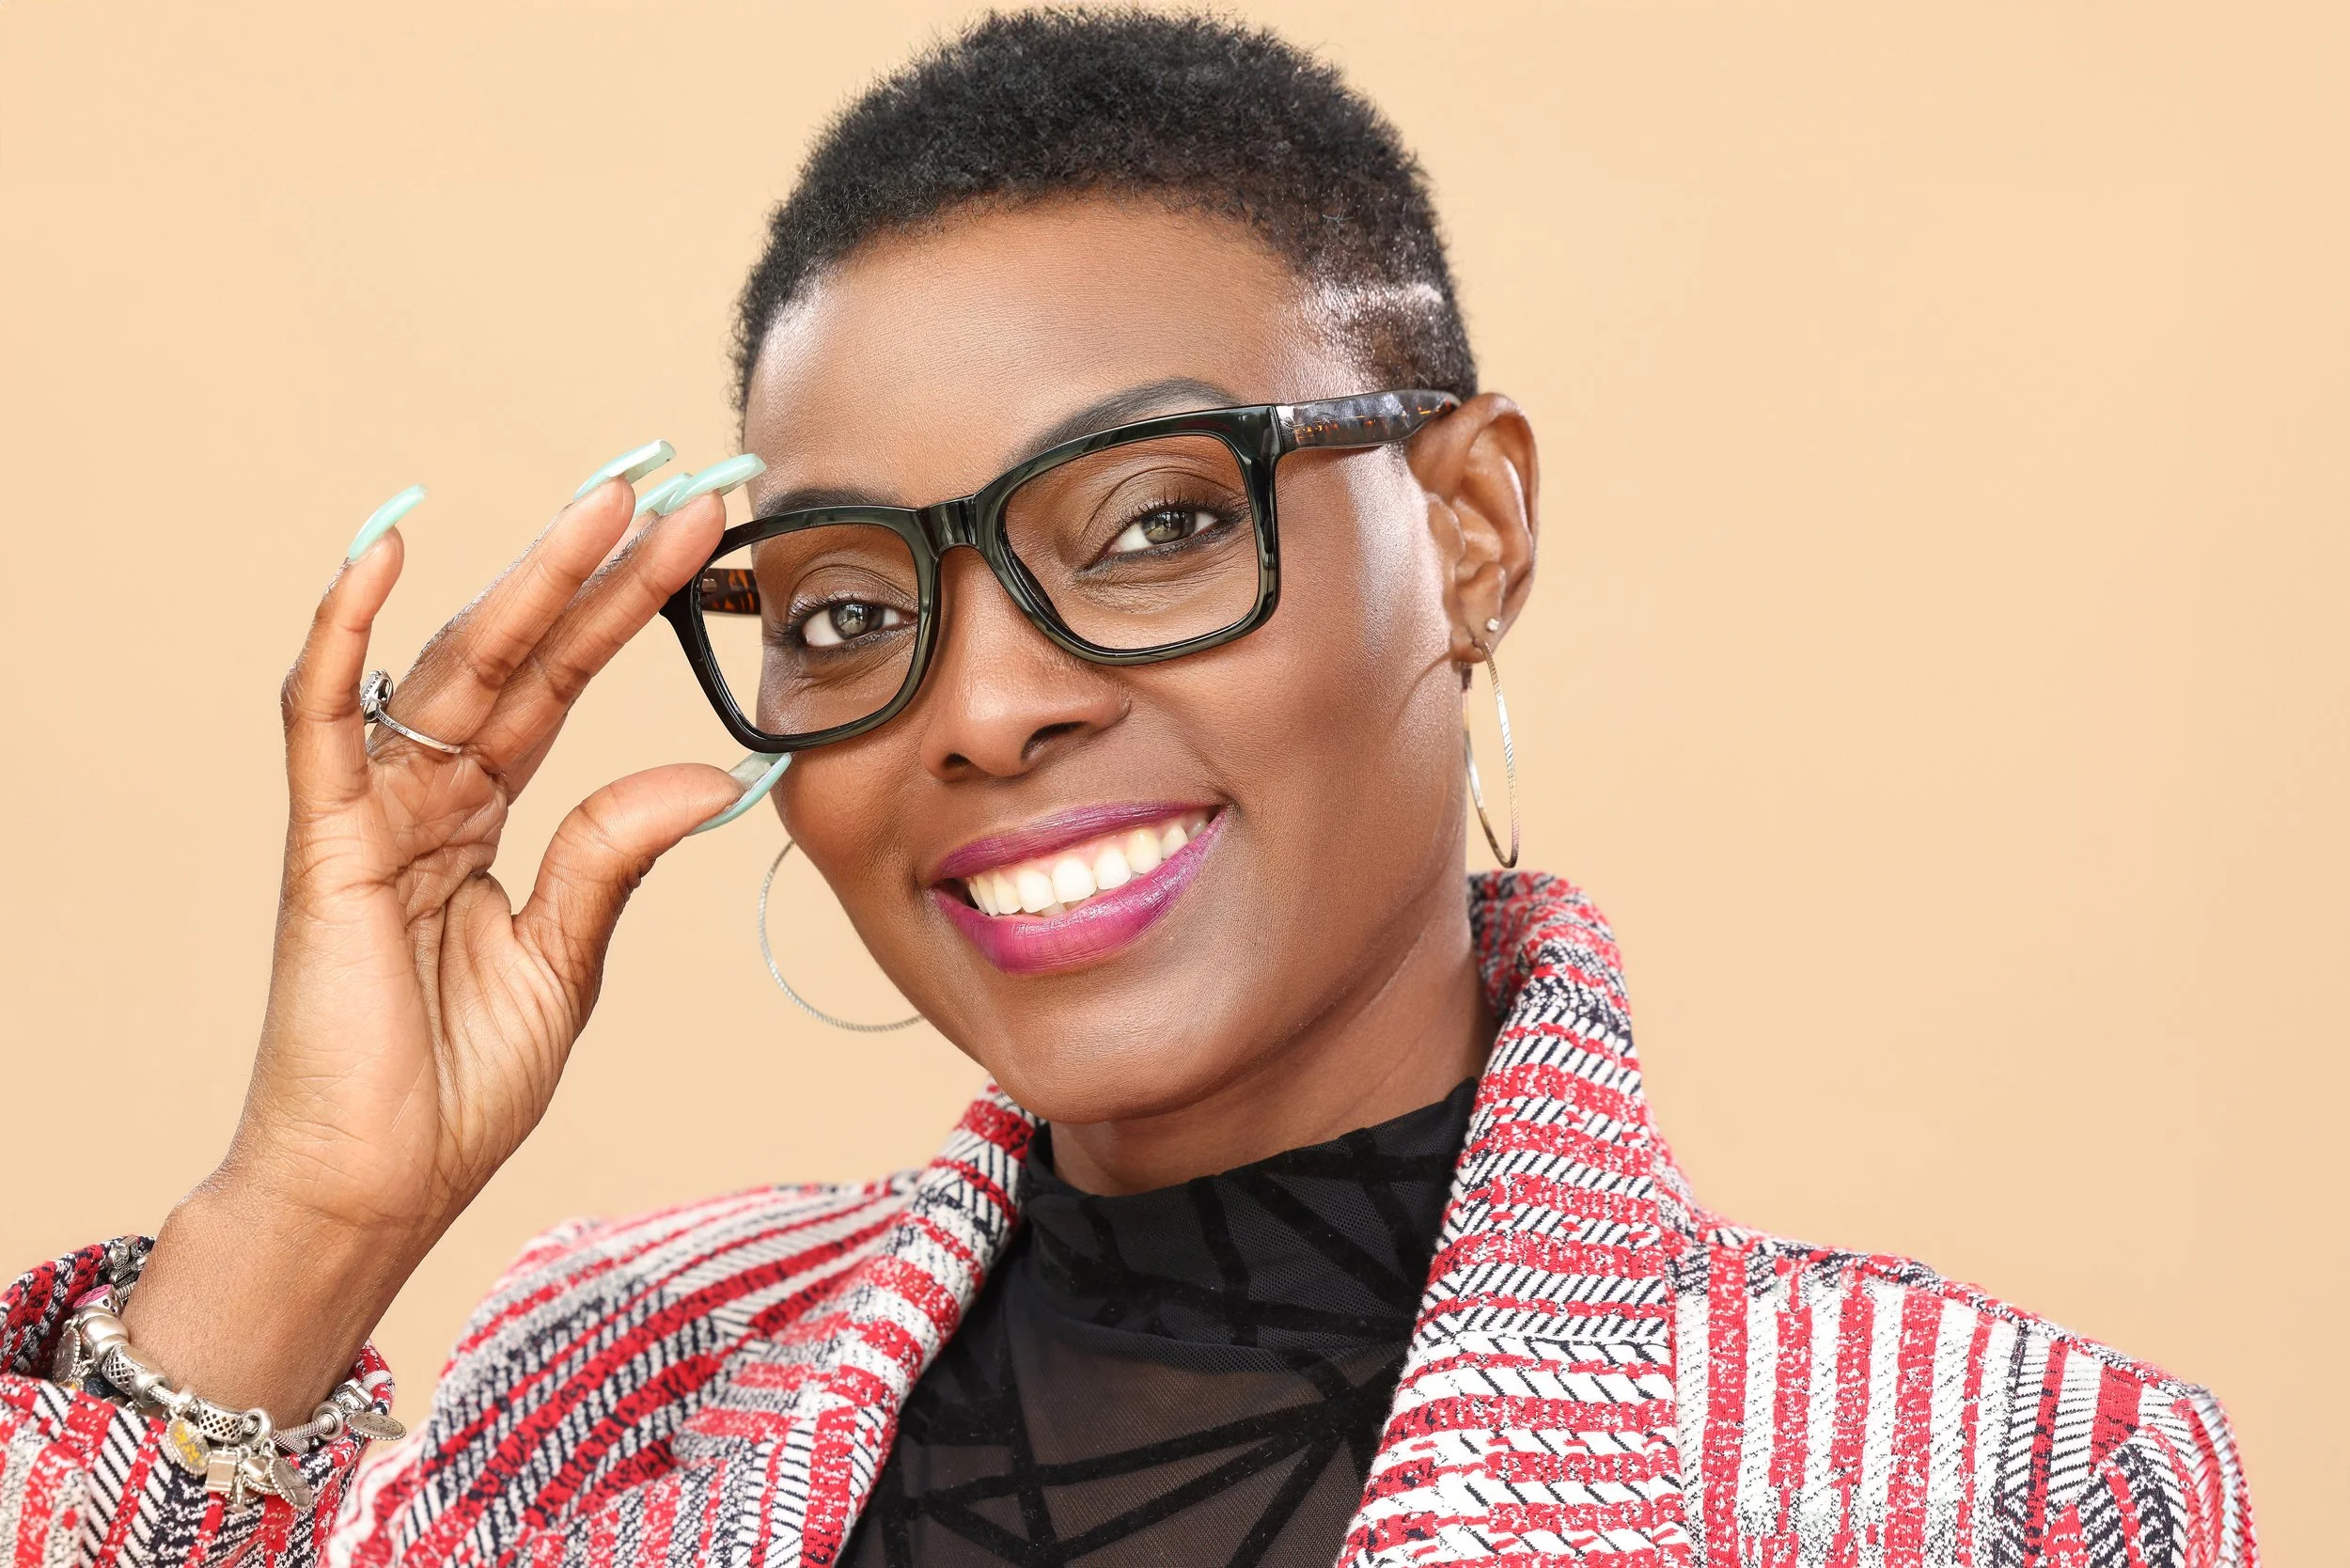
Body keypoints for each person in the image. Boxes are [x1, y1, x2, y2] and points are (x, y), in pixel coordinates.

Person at [1, 12, 2255, 1568]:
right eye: (847, 607)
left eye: (1157, 523)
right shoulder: (605, 1385)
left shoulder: (1994, 1483)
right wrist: (301, 1231)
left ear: (1470, 531)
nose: (982, 711)